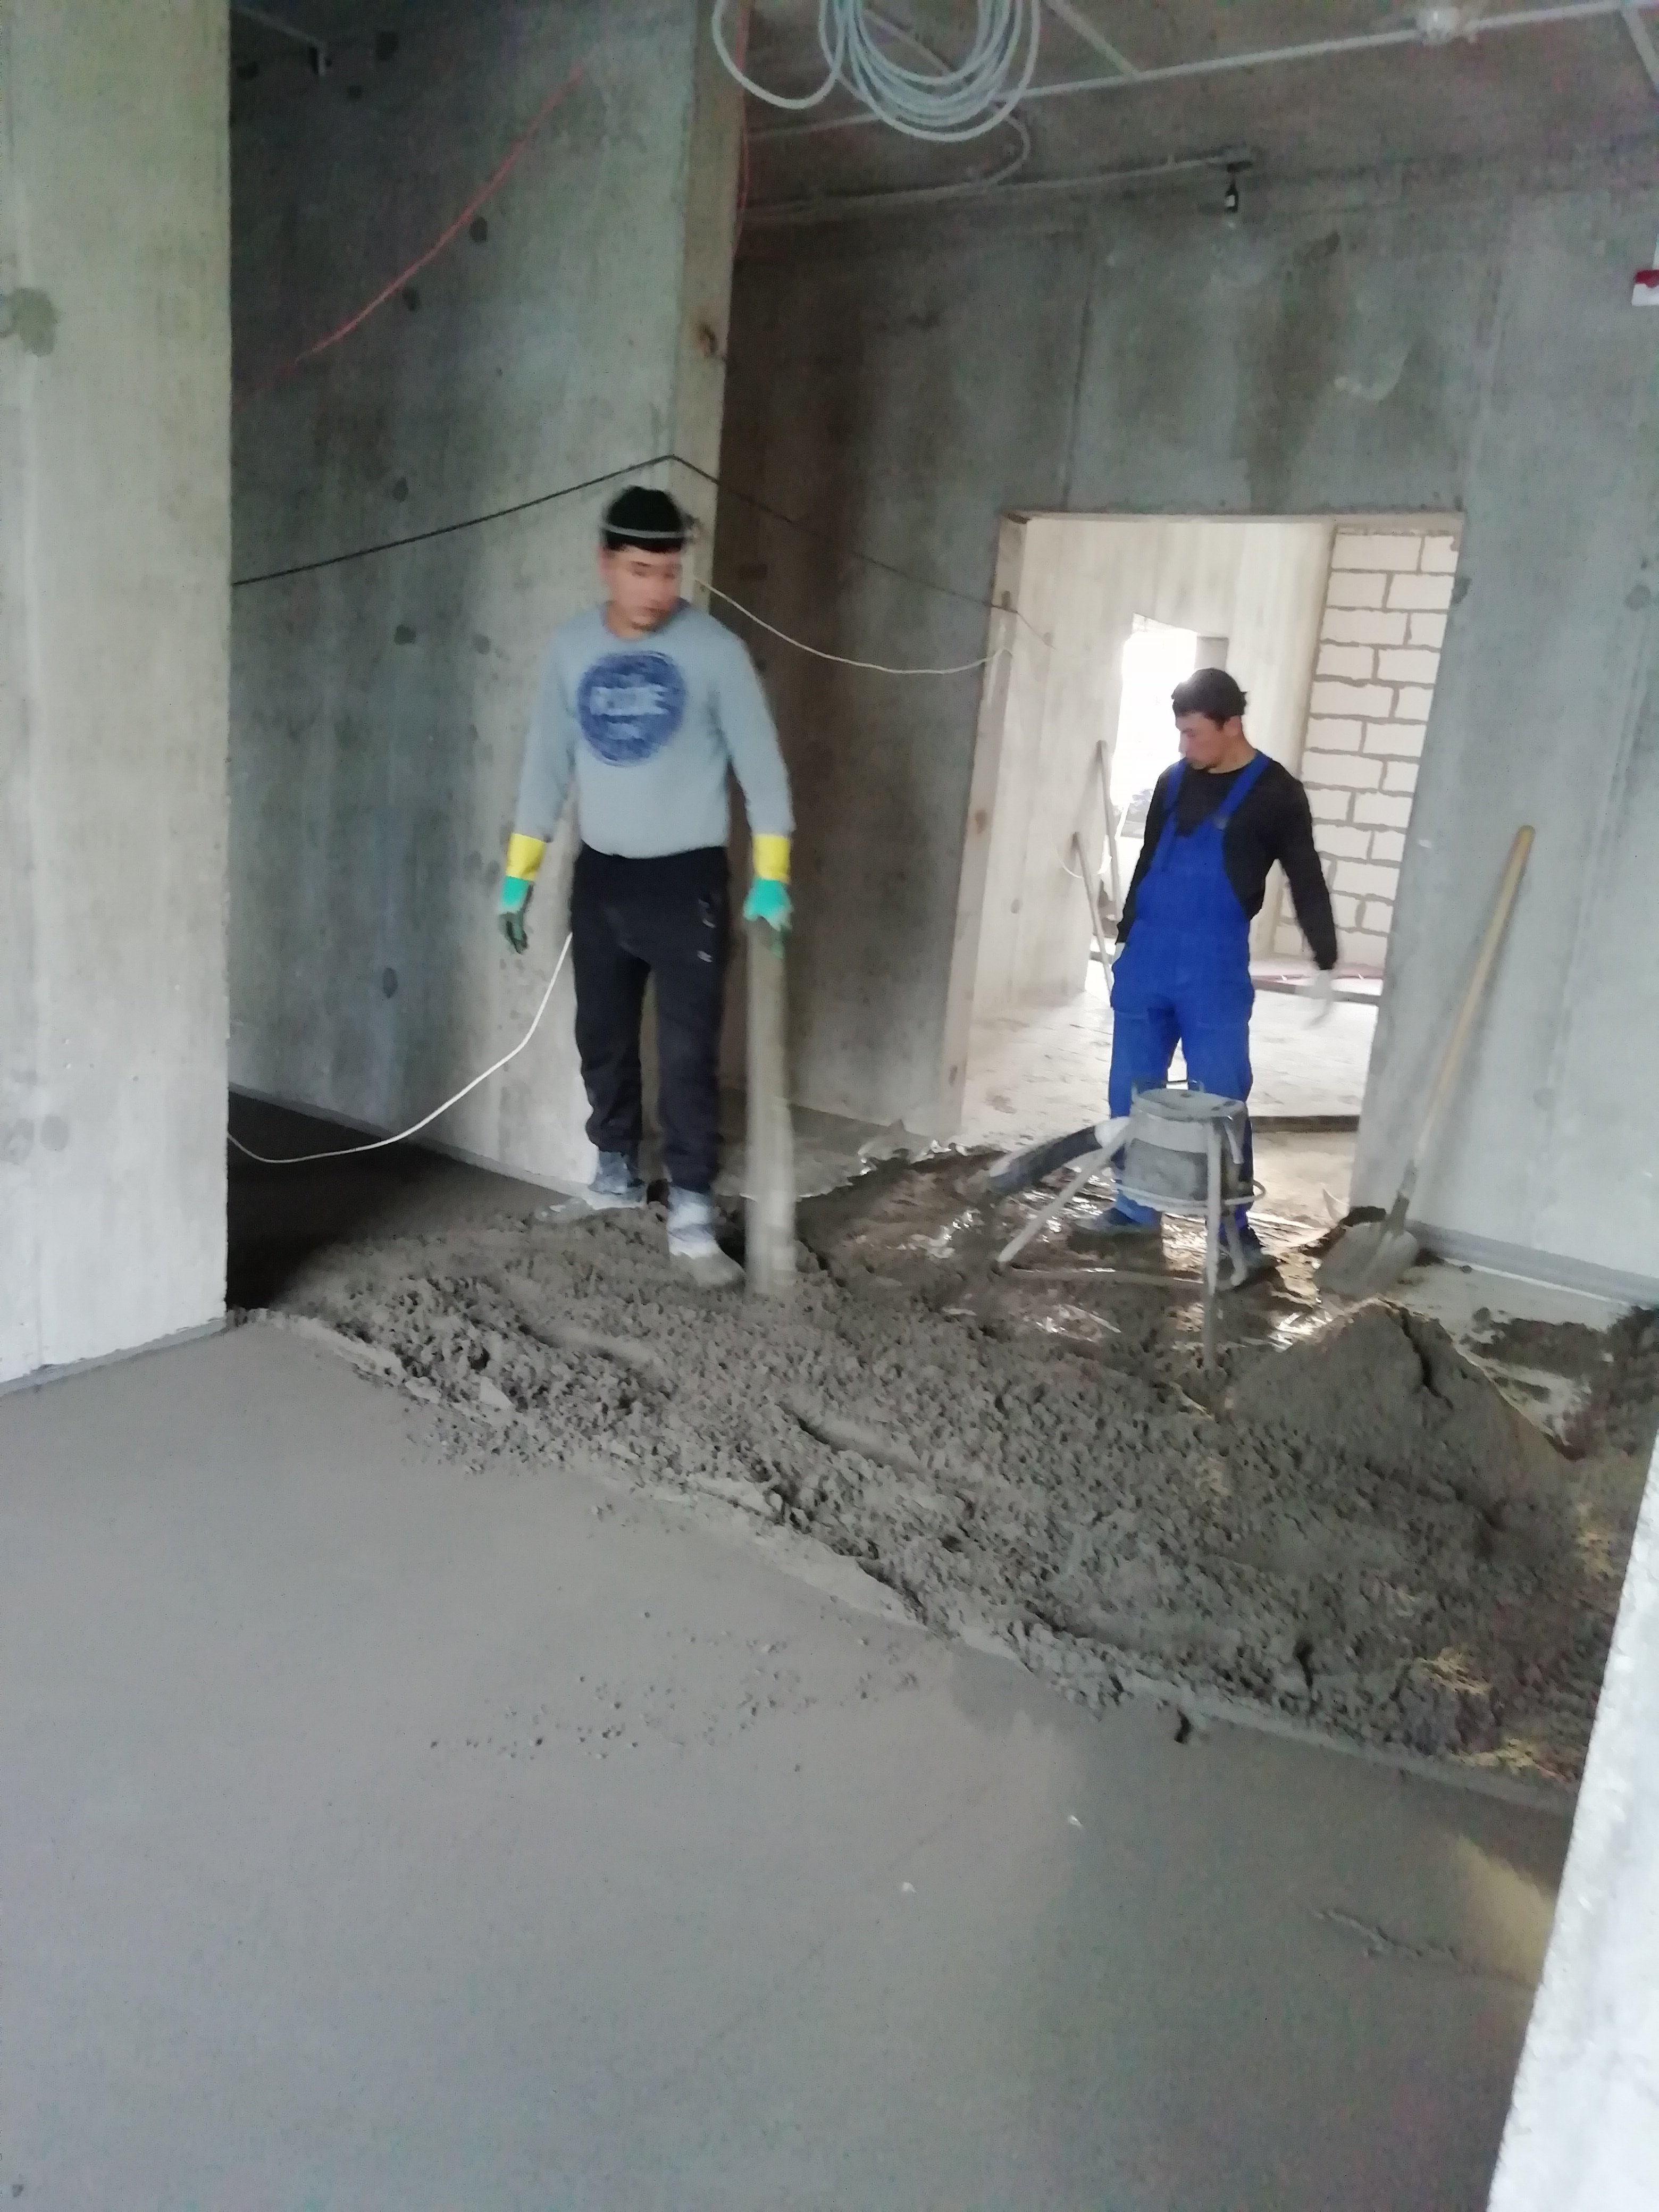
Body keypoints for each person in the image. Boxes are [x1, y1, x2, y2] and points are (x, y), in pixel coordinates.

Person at [496, 485, 792, 1288]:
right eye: (640, 571)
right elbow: (545, 765)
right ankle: (615, 1174)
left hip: (686, 879)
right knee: (602, 1036)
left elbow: (764, 772)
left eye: (669, 572)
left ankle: (692, 1210)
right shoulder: (571, 649)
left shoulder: (717, 652)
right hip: (602, 875)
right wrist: (519, 877)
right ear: (606, 564)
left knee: (689, 1051)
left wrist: (771, 879)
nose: (658, 590)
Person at [1086, 666, 1338, 1284]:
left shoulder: (1277, 793)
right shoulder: (1173, 781)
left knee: (1221, 1099)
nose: (1184, 745)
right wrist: (1126, 937)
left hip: (1213, 970)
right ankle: (1134, 1207)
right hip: (1148, 960)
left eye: (1194, 733)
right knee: (1129, 1091)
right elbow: (1149, 861)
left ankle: (1232, 1228)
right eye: (1180, 733)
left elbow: (1305, 876)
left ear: (1232, 725)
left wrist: (1325, 958)